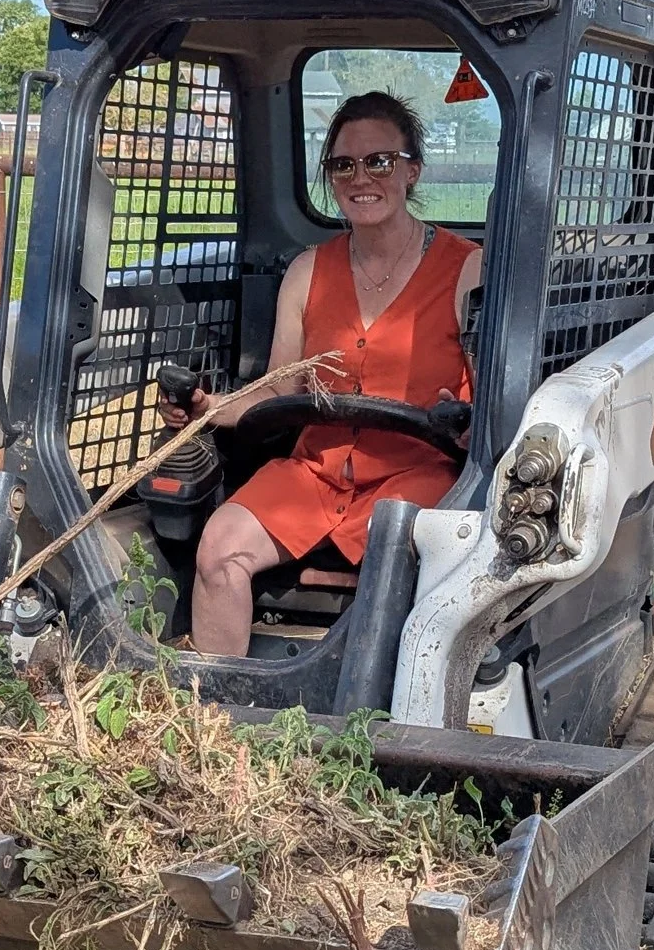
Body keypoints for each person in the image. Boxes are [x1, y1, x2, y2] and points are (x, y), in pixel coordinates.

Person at [180, 90, 483, 657]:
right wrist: (207, 409)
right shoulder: (306, 272)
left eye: (379, 161)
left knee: (396, 552)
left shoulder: (466, 269)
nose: (360, 176)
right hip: (315, 475)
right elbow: (277, 390)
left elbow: (489, 399)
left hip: (416, 472)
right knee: (218, 548)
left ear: (412, 170)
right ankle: (216, 723)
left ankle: (374, 726)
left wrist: (470, 425)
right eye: (342, 164)